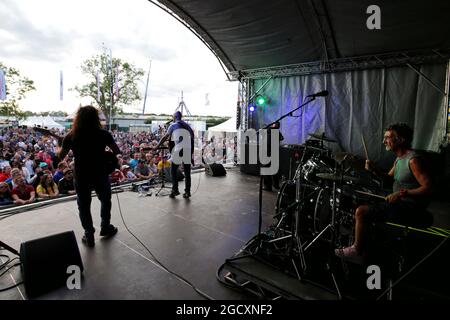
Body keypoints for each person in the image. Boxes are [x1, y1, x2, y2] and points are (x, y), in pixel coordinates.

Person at [335, 123, 433, 260]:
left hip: (409, 207)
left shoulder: (413, 160)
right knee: (361, 200)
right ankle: (368, 246)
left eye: (388, 137)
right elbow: (387, 178)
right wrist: (374, 169)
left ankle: (357, 251)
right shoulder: (399, 158)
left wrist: (401, 194)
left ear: (401, 140)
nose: (384, 141)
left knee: (361, 211)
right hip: (400, 202)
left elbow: (429, 188)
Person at [59, 105, 121, 247]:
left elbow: (60, 156)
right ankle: (105, 227)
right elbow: (117, 151)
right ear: (96, 118)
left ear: (78, 119)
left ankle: (89, 235)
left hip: (82, 175)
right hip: (100, 173)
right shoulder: (104, 134)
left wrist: (60, 145)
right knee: (105, 200)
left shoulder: (71, 136)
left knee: (84, 205)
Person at [154, 111, 194, 198]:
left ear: (175, 117)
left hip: (179, 149)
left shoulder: (173, 125)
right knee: (187, 172)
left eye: (173, 117)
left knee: (173, 170)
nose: (172, 118)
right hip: (187, 150)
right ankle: (187, 192)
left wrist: (157, 146)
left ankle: (175, 190)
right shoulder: (187, 126)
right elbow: (192, 138)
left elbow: (165, 137)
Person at [263, 122, 284, 191]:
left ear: (274, 125)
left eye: (273, 124)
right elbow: (282, 138)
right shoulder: (278, 132)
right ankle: (276, 185)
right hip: (274, 153)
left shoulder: (269, 130)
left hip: (268, 153)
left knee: (266, 169)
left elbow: (265, 130)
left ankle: (268, 186)